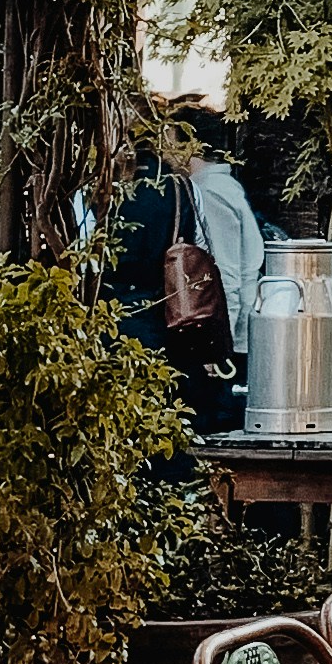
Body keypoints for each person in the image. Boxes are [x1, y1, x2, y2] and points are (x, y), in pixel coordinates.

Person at [111, 103, 267, 429]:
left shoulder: (100, 188)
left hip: (108, 323)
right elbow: (208, 269)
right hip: (166, 326)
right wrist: (215, 349)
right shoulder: (181, 189)